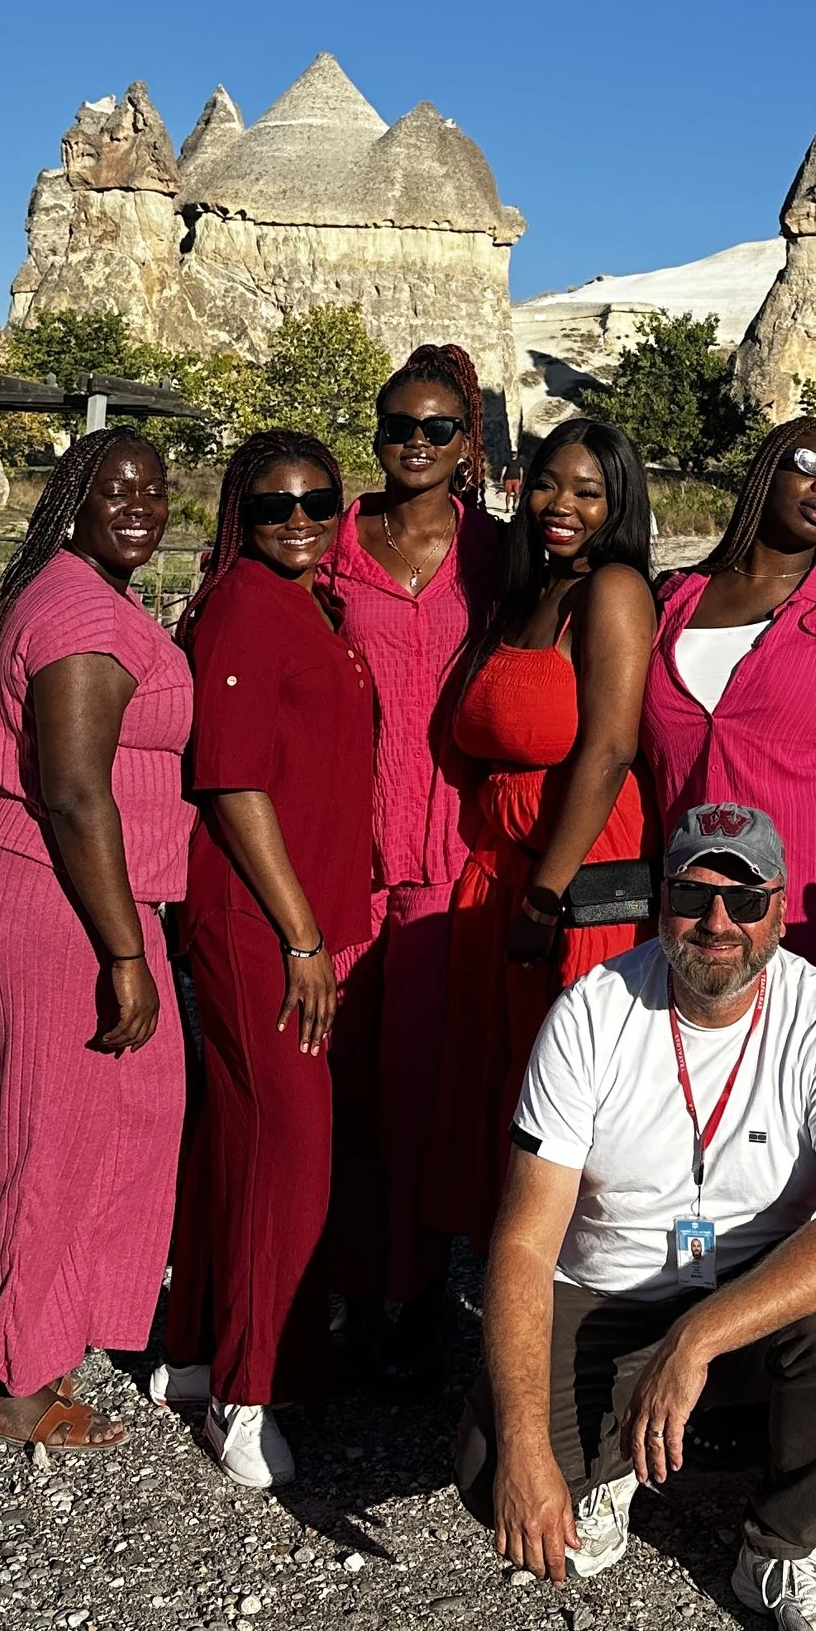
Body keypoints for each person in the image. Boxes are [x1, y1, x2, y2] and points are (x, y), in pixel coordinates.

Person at [455, 805, 816, 1631]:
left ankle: (778, 1549)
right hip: (610, 1298)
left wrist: (697, 1339)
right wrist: (522, 1450)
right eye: (695, 894)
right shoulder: (592, 1012)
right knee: (488, 1466)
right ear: (662, 901)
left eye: (744, 897)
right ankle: (616, 1461)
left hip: (749, 1299)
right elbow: (519, 1247)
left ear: (782, 904)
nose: (719, 922)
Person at [0, 429, 192, 1450]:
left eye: (153, 488)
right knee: (53, 1140)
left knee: (128, 1113)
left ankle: (55, 1333)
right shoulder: (81, 615)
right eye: (113, 489)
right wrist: (125, 952)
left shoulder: (89, 593)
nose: (138, 504)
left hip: (77, 891)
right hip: (67, 896)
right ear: (72, 501)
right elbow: (77, 792)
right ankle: (5, 1378)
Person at [160, 432, 376, 1489]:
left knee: (245, 1135)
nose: (298, 520)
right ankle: (249, 1394)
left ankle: (199, 1353)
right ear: (240, 516)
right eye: (273, 506)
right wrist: (299, 936)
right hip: (258, 920)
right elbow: (232, 785)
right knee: (290, 1149)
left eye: (317, 501)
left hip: (300, 918)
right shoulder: (245, 602)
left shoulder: (308, 601)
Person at [642, 415, 816, 1132]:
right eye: (809, 462)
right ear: (769, 467)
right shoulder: (670, 600)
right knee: (714, 1115)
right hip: (708, 913)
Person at [426, 419, 658, 1256]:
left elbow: (609, 748)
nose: (562, 504)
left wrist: (547, 891)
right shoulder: (527, 593)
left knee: (569, 1095)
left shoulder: (613, 590)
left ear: (619, 504)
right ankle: (510, 1298)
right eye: (549, 482)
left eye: (588, 491)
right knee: (507, 1087)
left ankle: (576, 1321)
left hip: (569, 872)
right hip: (505, 866)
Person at [321, 345, 504, 1387]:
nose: (417, 445)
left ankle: (418, 1284)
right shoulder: (333, 538)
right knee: (336, 1072)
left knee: (425, 1079)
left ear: (466, 443)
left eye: (439, 430)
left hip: (451, 853)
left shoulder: (497, 553)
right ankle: (338, 1278)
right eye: (400, 427)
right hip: (346, 849)